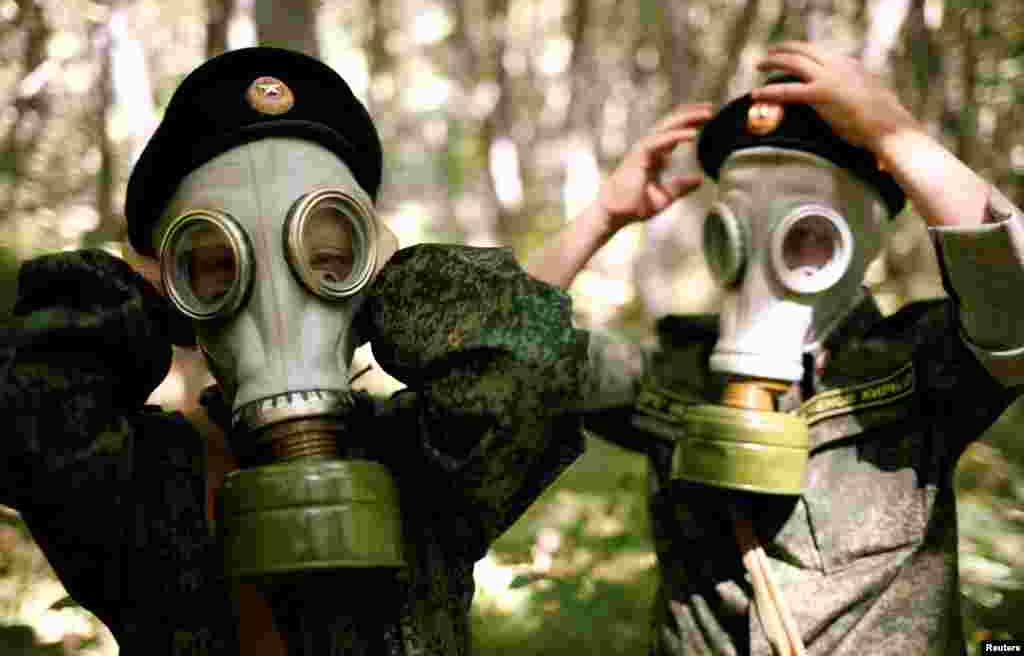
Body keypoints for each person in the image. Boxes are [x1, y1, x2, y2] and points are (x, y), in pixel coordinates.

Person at [0, 46, 594, 656]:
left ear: (366, 266)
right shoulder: (147, 491)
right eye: (218, 267)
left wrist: (394, 283)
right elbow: (24, 419)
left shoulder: (423, 467)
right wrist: (139, 297)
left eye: (331, 260)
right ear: (179, 289)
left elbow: (536, 365)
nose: (278, 300)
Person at [527, 41, 1024, 655]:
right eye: (739, 227)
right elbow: (502, 352)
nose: (766, 255)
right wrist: (602, 215)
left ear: (861, 240)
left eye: (806, 233)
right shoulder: (673, 375)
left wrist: (899, 138)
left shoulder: (918, 369)